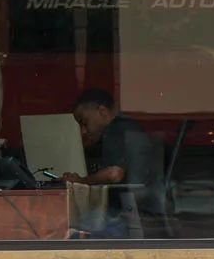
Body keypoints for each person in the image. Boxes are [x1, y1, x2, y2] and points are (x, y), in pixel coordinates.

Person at [64, 88, 167, 238]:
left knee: (73, 229)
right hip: (146, 209)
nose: (83, 131)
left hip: (126, 213)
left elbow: (114, 173)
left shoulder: (116, 130)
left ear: (103, 112)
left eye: (85, 122)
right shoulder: (131, 128)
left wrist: (81, 181)